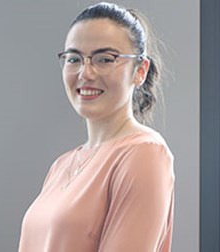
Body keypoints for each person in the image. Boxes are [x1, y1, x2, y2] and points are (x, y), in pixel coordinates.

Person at [18, 2, 175, 252]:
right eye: (74, 58)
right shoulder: (61, 165)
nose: (85, 73)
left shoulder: (143, 153)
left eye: (104, 59)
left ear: (140, 70)